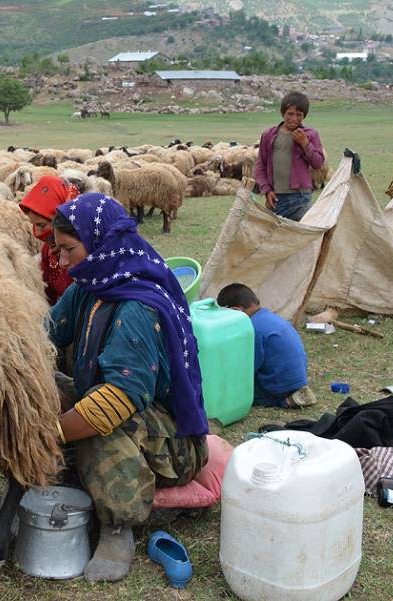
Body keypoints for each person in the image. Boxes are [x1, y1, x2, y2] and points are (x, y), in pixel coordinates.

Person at [48, 193, 209, 583]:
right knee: (40, 386)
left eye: (68, 249)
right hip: (118, 407)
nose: (62, 261)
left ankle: (118, 526)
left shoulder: (136, 305)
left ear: (100, 242)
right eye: (58, 251)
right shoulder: (90, 286)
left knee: (103, 421)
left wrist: (47, 432)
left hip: (172, 442)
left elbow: (118, 400)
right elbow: (47, 335)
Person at [216, 283, 315, 408]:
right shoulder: (270, 318)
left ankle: (287, 401)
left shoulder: (252, 330)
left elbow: (246, 369)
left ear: (237, 311)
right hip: (297, 379)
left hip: (278, 386)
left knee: (229, 391)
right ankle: (295, 392)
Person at [254, 91, 325, 221]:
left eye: (299, 115)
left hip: (301, 198)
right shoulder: (269, 135)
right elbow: (260, 166)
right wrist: (266, 190)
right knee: (273, 237)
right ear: (283, 113)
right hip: (275, 198)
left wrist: (305, 143)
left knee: (303, 237)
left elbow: (318, 163)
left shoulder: (310, 134)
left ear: (304, 116)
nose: (294, 119)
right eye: (290, 114)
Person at [18, 175, 80, 304]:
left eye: (42, 225)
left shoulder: (84, 247)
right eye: (34, 225)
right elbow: (47, 290)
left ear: (61, 217)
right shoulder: (48, 251)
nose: (38, 232)